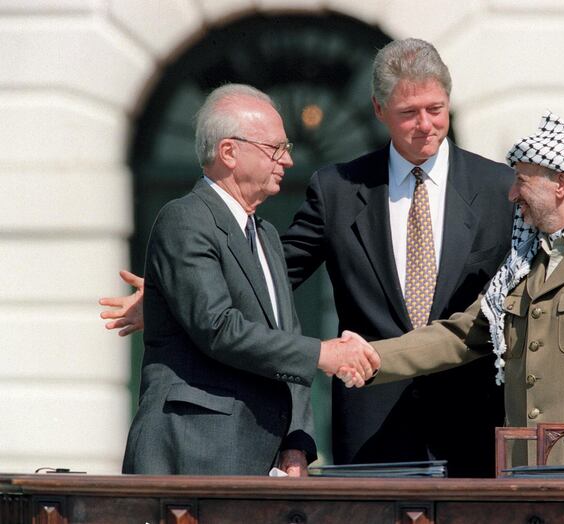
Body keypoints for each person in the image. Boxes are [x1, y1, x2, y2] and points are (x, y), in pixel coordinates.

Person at [101, 40, 564, 477]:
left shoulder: (494, 184)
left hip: (484, 429)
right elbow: (267, 277)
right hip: (374, 428)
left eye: (436, 109)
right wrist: (169, 297)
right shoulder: (339, 187)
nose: (425, 125)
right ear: (380, 113)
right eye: (408, 113)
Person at [343, 113, 564, 478]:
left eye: (521, 182)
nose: (512, 195)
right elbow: (461, 334)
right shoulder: (522, 266)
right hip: (525, 474)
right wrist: (371, 357)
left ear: (561, 183)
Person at [122, 84, 379, 476]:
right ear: (229, 152)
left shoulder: (267, 236)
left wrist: (297, 442)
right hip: (194, 454)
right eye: (275, 148)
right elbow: (219, 327)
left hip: (262, 462)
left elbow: (285, 336)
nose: (288, 160)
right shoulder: (185, 219)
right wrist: (323, 354)